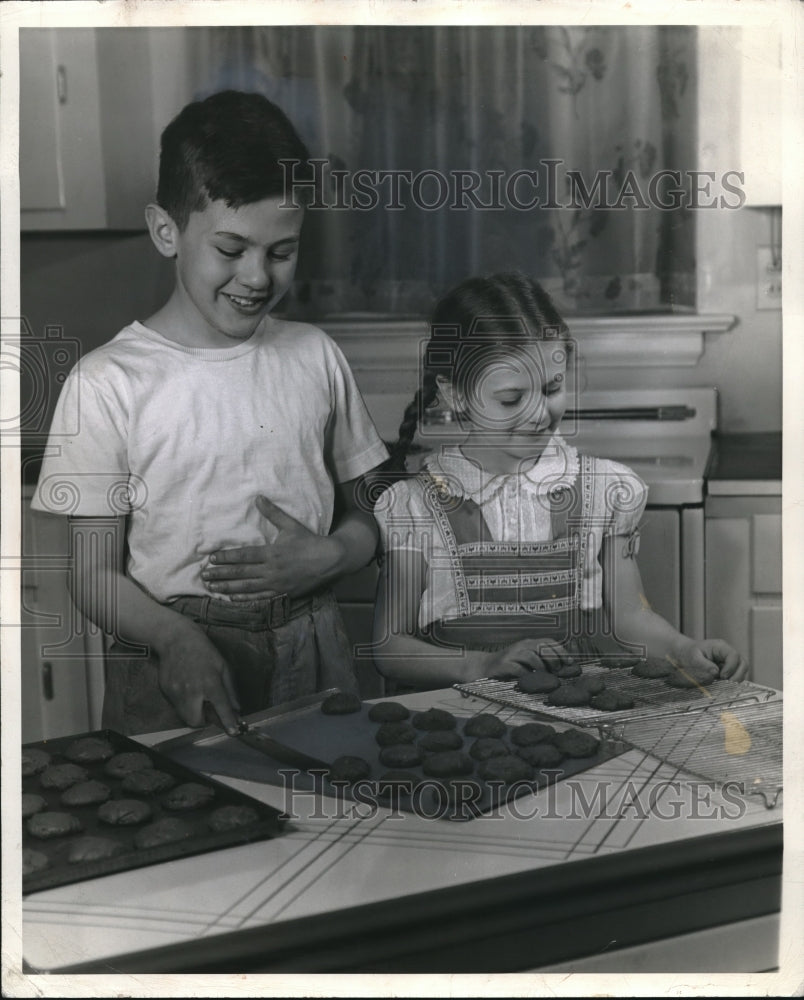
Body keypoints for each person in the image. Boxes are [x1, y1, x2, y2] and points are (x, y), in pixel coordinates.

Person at [31, 91, 388, 735]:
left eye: (281, 251)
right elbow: (91, 575)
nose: (257, 276)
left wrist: (334, 555)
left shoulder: (315, 356)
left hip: (315, 646)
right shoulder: (106, 382)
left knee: (333, 821)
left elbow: (377, 509)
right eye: (231, 249)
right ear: (167, 230)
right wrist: (175, 639)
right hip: (174, 659)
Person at [371, 272, 748, 690]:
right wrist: (481, 664)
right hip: (460, 726)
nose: (537, 413)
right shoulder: (417, 505)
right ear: (456, 394)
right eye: (512, 398)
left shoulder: (601, 491)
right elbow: (391, 648)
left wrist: (681, 649)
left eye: (551, 388)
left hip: (574, 716)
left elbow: (630, 618)